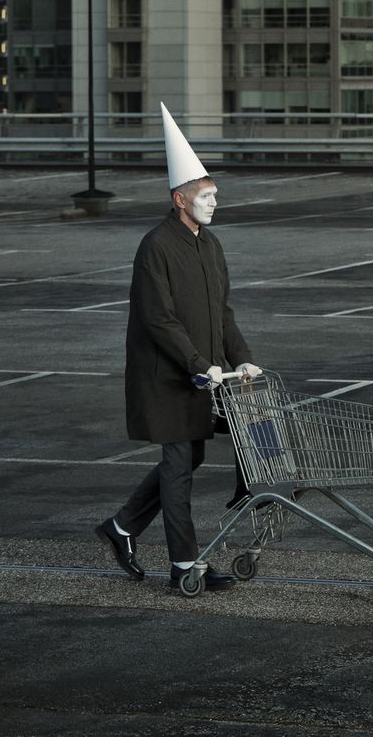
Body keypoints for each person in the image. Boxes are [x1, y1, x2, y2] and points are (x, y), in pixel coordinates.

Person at [96, 103, 261, 591]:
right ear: (178, 199)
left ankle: (122, 527)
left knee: (191, 458)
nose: (213, 203)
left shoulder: (210, 245)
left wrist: (241, 357)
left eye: (215, 195)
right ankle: (185, 567)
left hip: (199, 376)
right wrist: (198, 363)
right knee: (178, 467)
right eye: (205, 196)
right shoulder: (156, 246)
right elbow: (158, 319)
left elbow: (222, 314)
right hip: (166, 378)